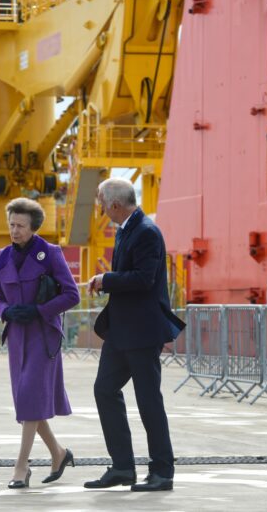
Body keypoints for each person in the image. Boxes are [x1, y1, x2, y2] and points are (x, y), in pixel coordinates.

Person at [84, 178, 185, 492]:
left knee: (148, 402)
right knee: (104, 390)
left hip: (141, 331)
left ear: (114, 204)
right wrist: (109, 283)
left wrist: (106, 279)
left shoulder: (146, 232)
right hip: (122, 331)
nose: (101, 209)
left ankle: (162, 472)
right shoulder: (127, 229)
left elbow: (143, 279)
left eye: (102, 203)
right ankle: (123, 467)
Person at [0, 198, 81, 489]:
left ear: (33, 228)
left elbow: (72, 294)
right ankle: (59, 453)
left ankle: (21, 467)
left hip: (44, 336)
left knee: (29, 398)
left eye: (20, 226)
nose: (14, 231)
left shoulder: (50, 254)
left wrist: (38, 311)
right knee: (27, 402)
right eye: (11, 224)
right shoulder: (2, 256)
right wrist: (6, 311)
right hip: (17, 337)